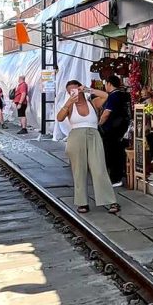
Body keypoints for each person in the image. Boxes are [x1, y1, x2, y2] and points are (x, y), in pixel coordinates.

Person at [56, 80, 120, 214]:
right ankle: (81, 202)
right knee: (79, 170)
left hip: (93, 135)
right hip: (76, 136)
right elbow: (60, 118)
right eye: (70, 92)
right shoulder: (70, 106)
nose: (74, 93)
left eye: (76, 89)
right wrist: (68, 102)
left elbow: (106, 96)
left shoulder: (92, 103)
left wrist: (87, 90)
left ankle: (109, 200)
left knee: (99, 168)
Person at [93, 75, 131, 187]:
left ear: (109, 83)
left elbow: (106, 114)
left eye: (106, 84)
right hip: (123, 128)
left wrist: (99, 124)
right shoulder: (125, 95)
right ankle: (119, 175)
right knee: (119, 152)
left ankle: (115, 178)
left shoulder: (113, 96)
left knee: (111, 153)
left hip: (112, 129)